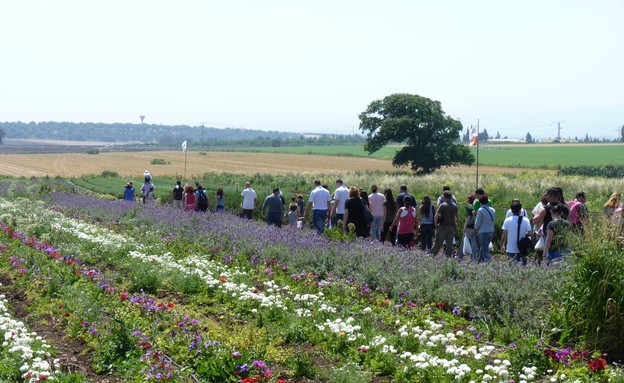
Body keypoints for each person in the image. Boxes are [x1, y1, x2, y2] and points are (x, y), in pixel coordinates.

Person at [430, 191, 459, 257]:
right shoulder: (455, 206)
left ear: (444, 197)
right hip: (451, 227)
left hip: (442, 227)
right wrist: (456, 226)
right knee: (449, 244)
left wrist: (435, 224)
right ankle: (448, 257)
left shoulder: (443, 205)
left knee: (438, 243)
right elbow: (457, 218)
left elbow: (436, 216)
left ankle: (432, 256)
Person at [475, 194, 496, 262]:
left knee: (484, 249)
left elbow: (478, 222)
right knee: (484, 247)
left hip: (483, 232)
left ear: (480, 202)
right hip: (491, 231)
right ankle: (480, 261)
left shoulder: (480, 210)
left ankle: (490, 262)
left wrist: (476, 229)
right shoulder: (493, 210)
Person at [459, 194, 478, 261]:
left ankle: (459, 256)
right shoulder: (476, 207)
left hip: (469, 227)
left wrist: (464, 227)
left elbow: (468, 217)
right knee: (474, 243)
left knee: (463, 241)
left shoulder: (469, 206)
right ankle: (475, 257)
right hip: (474, 227)